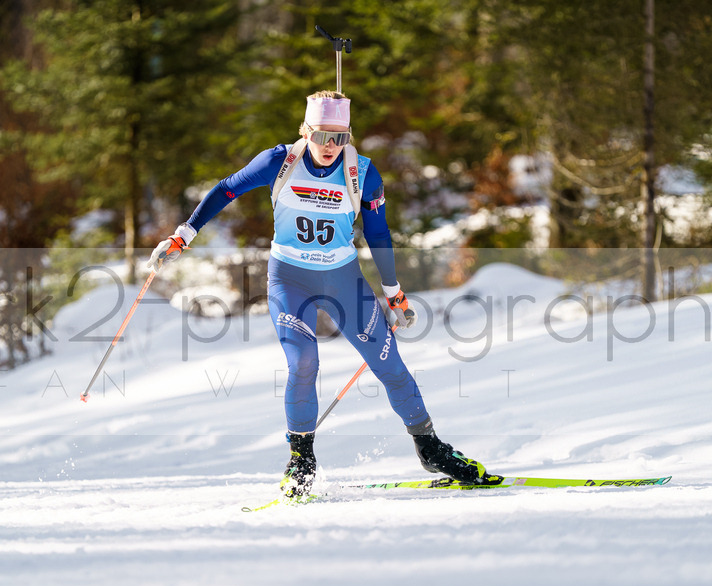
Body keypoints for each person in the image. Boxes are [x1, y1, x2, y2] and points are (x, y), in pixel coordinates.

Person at [146, 90, 493, 497]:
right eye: (322, 136)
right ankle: (301, 462)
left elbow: (378, 233)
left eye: (340, 138)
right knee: (303, 361)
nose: (330, 147)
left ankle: (430, 448)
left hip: (342, 279)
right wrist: (183, 234)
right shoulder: (279, 162)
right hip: (290, 279)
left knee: (389, 364)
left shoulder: (363, 173)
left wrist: (394, 292)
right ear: (305, 131)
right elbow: (225, 190)